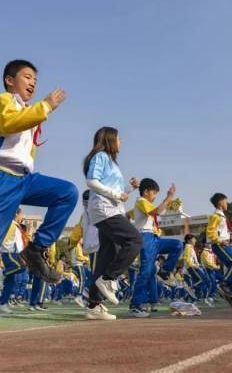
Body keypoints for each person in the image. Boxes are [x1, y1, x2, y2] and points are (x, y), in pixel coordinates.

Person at [0, 59, 78, 337]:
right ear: (9, 80)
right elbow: (7, 124)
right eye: (27, 77)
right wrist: (46, 105)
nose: (33, 82)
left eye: (35, 79)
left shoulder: (30, 112)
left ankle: (36, 249)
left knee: (67, 192)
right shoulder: (4, 101)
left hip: (24, 179)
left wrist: (41, 109)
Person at [83, 126, 143, 320]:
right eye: (118, 138)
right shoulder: (100, 156)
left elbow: (116, 191)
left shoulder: (111, 162)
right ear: (109, 139)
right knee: (134, 240)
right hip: (104, 209)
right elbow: (92, 181)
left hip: (111, 208)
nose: (121, 141)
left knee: (105, 256)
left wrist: (129, 189)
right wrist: (116, 194)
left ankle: (93, 305)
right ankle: (109, 278)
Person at [128, 178, 182, 317]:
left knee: (177, 245)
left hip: (155, 238)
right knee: (146, 271)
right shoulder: (141, 201)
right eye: (154, 193)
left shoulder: (144, 204)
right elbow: (157, 211)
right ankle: (135, 305)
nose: (155, 196)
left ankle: (164, 271)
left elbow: (130, 214)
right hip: (146, 238)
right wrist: (168, 198)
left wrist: (169, 201)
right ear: (146, 192)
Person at [205, 193, 232, 306]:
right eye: (226, 201)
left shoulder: (222, 217)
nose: (227, 203)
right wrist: (219, 240)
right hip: (220, 245)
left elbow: (221, 231)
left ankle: (228, 293)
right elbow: (210, 231)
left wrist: (230, 235)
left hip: (225, 244)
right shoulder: (216, 216)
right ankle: (223, 285)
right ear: (220, 202)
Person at [0, 209, 27, 315]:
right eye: (21, 214)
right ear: (16, 214)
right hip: (9, 253)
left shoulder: (17, 226)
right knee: (21, 266)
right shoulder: (11, 225)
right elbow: (4, 239)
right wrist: (2, 250)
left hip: (15, 253)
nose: (22, 217)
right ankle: (1, 273)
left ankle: (3, 304)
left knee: (10, 282)